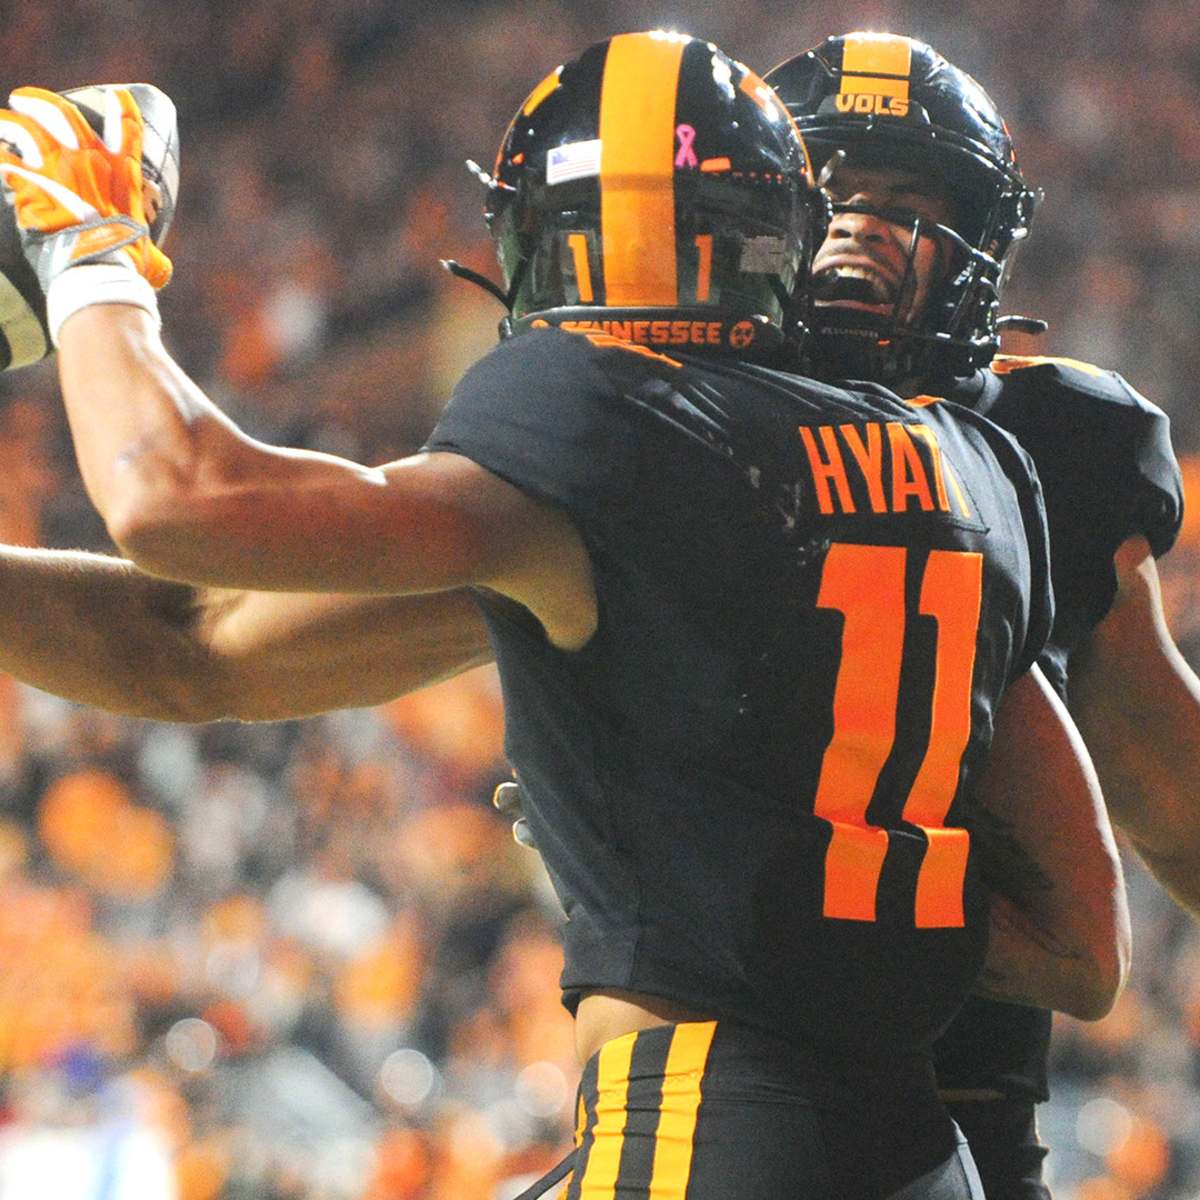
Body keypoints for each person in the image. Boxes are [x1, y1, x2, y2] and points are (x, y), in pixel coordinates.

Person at [0, 33, 1128, 1200]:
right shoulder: (980, 469)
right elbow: (1081, 949)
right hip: (919, 1156)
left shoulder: (607, 427)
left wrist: (92, 248)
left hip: (700, 1127)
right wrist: (770, 863)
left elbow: (171, 502)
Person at [764, 31, 1195, 1200]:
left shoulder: (1051, 447)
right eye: (829, 198)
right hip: (688, 1091)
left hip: (955, 1117)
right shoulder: (659, 421)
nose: (857, 236)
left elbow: (1169, 793)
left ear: (981, 248)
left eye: (907, 208)